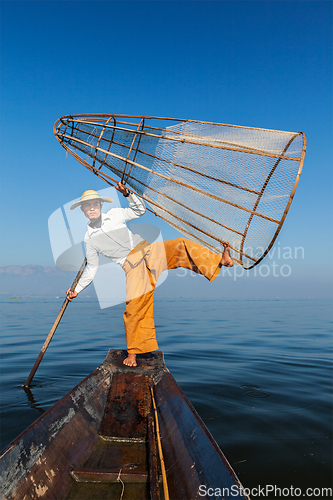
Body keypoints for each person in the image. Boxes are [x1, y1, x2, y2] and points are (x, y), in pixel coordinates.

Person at [67, 182, 234, 367]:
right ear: (82, 210)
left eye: (95, 204)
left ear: (100, 205)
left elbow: (139, 211)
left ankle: (220, 260)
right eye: (87, 206)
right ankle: (133, 353)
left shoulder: (114, 214)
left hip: (147, 250)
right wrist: (77, 289)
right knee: (134, 307)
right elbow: (91, 268)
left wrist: (128, 194)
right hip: (132, 266)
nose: (91, 208)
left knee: (181, 244)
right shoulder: (89, 239)